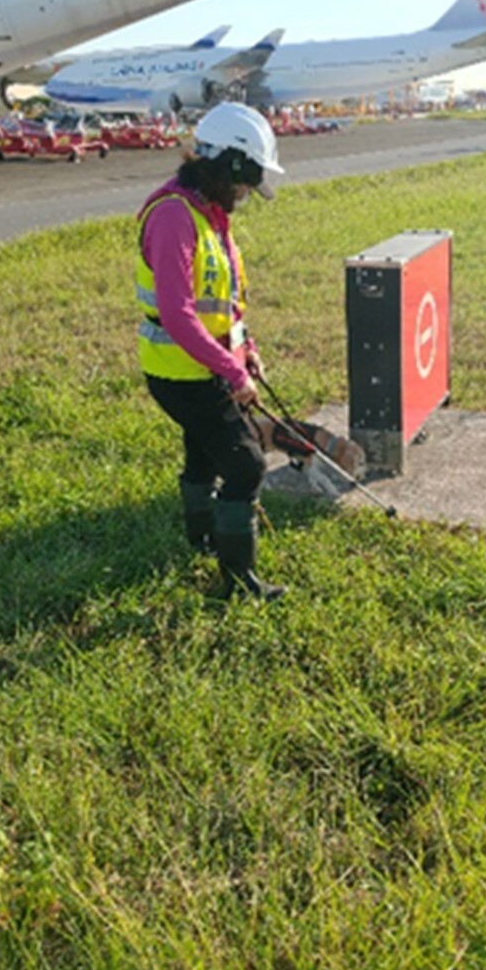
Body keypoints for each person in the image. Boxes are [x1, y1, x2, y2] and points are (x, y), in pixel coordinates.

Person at [136, 101, 285, 601]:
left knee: (202, 449)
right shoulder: (175, 217)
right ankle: (239, 584)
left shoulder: (210, 215)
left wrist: (248, 351)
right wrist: (232, 372)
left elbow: (224, 302)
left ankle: (200, 538)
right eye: (245, 183)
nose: (245, 194)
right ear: (229, 166)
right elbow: (179, 314)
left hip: (203, 366)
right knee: (246, 465)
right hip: (179, 372)